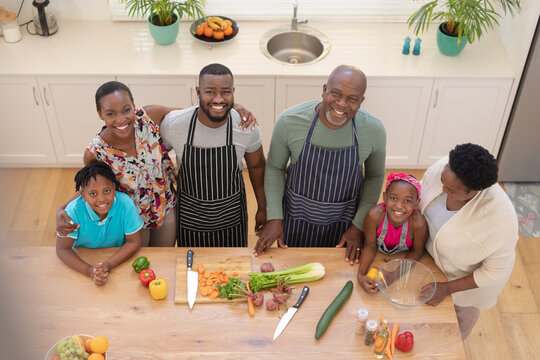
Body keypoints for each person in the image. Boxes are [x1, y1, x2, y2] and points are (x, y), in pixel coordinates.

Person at [56, 80, 256, 246]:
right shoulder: (95, 152)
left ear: (134, 105)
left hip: (166, 209)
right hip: (132, 219)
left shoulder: (150, 117)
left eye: (126, 110)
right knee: (139, 266)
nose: (121, 119)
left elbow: (196, 114)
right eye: (110, 114)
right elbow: (90, 187)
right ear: (100, 114)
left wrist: (232, 108)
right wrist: (62, 209)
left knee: (164, 260)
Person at [254, 65, 386, 263]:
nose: (342, 104)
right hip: (295, 220)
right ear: (324, 90)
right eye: (336, 94)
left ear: (362, 101)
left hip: (344, 223)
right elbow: (275, 167)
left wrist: (359, 225)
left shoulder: (374, 130)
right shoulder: (290, 122)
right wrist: (274, 216)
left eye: (352, 99)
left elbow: (375, 177)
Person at [158, 63, 267, 247]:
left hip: (232, 219)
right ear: (198, 92)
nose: (218, 99)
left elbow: (257, 166)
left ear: (233, 92)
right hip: (190, 220)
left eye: (225, 92)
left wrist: (263, 208)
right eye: (210, 91)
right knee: (192, 271)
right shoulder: (175, 124)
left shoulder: (245, 126)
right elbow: (155, 158)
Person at [418, 143, 518, 340]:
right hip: (430, 262)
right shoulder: (442, 166)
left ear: (474, 191)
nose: (443, 189)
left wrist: (447, 288)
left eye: (452, 190)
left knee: (455, 331)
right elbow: (420, 191)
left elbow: (493, 273)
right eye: (442, 181)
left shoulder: (500, 220)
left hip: (464, 285)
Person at [56, 162, 143, 286]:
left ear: (114, 188)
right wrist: (89, 271)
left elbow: (134, 242)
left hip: (117, 257)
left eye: (107, 191)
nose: (101, 199)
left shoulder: (125, 204)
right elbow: (62, 249)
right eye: (93, 194)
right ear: (83, 196)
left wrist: (107, 265)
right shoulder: (73, 211)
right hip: (82, 257)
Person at [357, 173, 428, 293]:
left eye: (407, 201)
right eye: (394, 198)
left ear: (416, 203)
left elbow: (417, 251)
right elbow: (369, 245)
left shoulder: (418, 223)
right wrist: (361, 275)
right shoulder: (374, 215)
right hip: (377, 257)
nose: (399, 206)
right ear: (385, 197)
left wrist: (393, 276)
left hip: (401, 261)